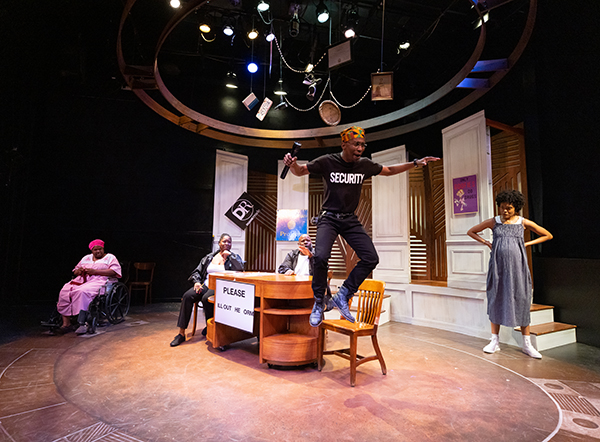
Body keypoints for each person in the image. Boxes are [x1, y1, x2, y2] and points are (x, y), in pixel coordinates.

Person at [283, 126, 439, 327]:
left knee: (371, 258)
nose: (360, 148)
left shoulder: (364, 165)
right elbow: (300, 171)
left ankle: (343, 294)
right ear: (344, 144)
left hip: (349, 219)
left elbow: (389, 170)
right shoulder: (328, 161)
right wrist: (292, 164)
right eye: (356, 144)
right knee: (320, 257)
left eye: (363, 145)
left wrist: (415, 163)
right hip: (328, 218)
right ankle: (319, 301)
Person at [467, 189, 553, 359]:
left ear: (517, 208)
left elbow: (547, 235)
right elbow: (471, 231)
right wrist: (486, 242)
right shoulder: (494, 222)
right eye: (502, 207)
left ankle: (526, 344)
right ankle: (494, 341)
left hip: (518, 268)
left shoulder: (522, 222)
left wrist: (527, 244)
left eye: (509, 208)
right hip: (498, 268)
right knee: (496, 298)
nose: (505, 211)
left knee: (521, 300)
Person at [170, 233, 245, 347]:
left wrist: (230, 256)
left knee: (206, 299)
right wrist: (196, 282)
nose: (227, 244)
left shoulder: (234, 257)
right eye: (224, 241)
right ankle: (181, 333)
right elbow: (197, 271)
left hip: (220, 287)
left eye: (229, 242)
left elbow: (240, 268)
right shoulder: (209, 257)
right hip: (205, 285)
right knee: (187, 296)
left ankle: (212, 330)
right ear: (219, 243)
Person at [56, 239, 122, 335]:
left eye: (100, 249)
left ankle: (82, 322)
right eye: (95, 249)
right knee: (65, 290)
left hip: (101, 281)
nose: (98, 251)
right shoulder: (86, 258)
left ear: (103, 249)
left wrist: (95, 272)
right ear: (92, 250)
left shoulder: (110, 257)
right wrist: (78, 271)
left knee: (82, 291)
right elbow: (75, 270)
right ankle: (66, 323)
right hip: (83, 280)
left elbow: (114, 271)